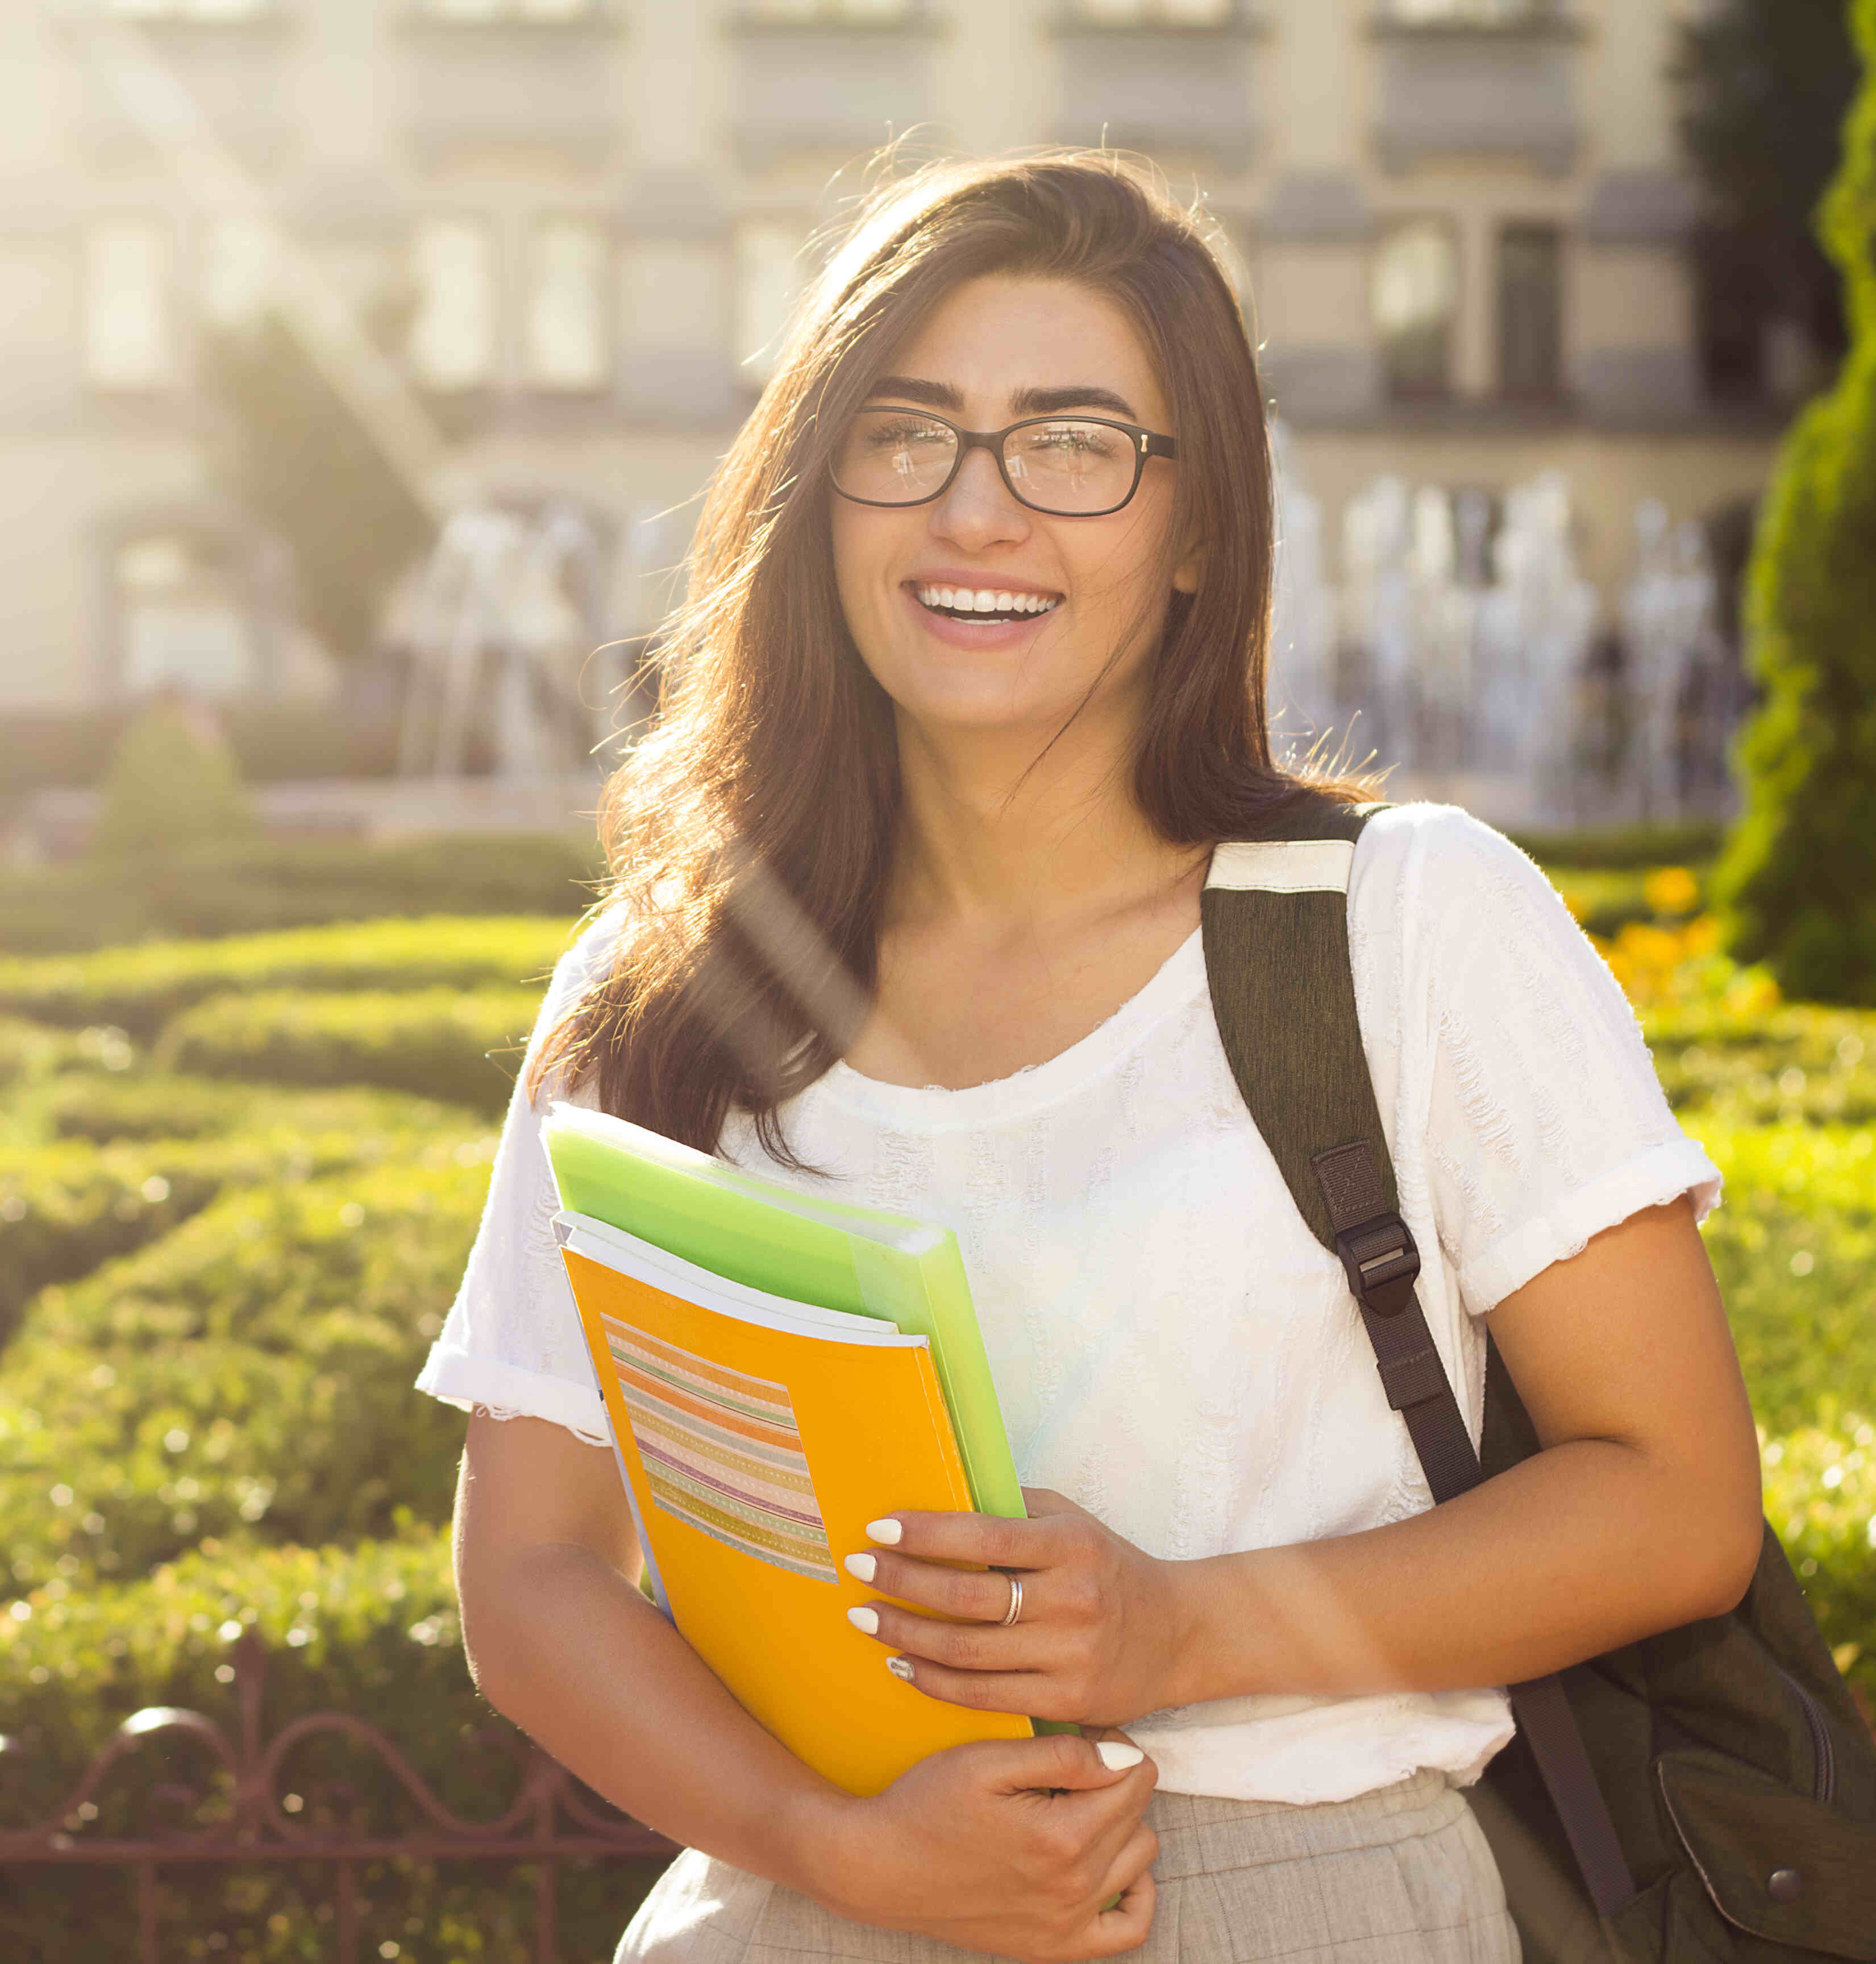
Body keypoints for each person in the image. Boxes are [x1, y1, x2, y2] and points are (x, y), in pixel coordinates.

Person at [414, 152, 1762, 1963]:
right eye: (907, 435)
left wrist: (1181, 1631)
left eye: (1074, 443)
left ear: (1198, 524)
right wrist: (833, 1844)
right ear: (818, 495)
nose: (980, 513)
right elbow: (532, 1577)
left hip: (1303, 1902)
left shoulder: (1411, 923)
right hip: (796, 1909)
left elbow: (1676, 1503)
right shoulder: (662, 984)